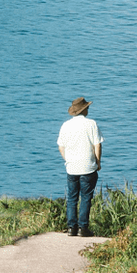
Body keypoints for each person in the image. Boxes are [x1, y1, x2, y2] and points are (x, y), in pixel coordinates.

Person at [57, 97, 102, 237]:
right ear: (84, 110)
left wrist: (68, 159)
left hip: (71, 167)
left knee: (72, 198)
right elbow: (97, 145)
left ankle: (71, 227)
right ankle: (83, 228)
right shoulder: (91, 124)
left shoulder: (65, 125)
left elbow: (61, 147)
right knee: (86, 197)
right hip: (88, 166)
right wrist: (98, 162)